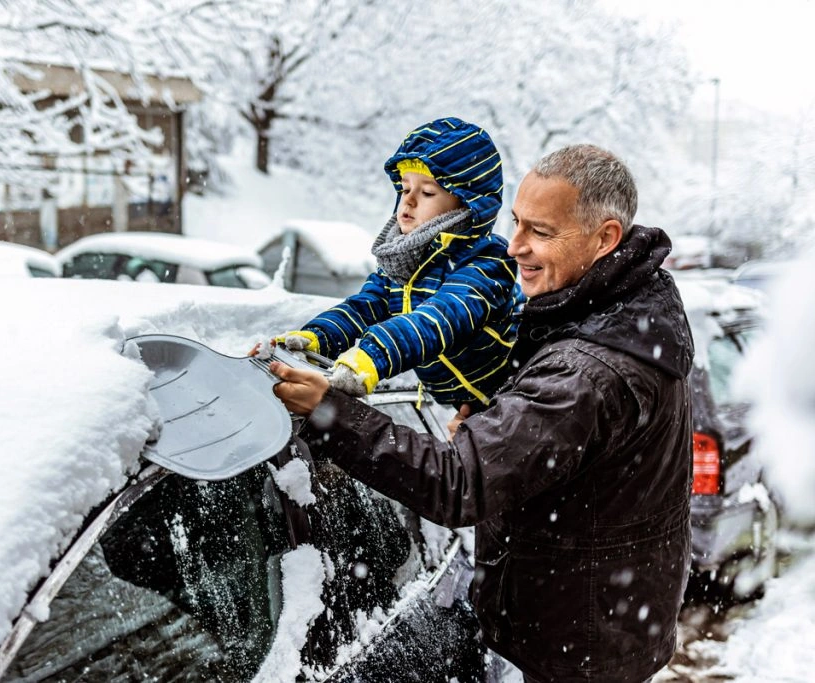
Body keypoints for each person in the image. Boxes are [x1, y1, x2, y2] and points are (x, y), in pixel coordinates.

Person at [269, 144, 694, 683]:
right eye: (516, 223)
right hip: (606, 626)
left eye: (540, 232)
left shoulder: (586, 373)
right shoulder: (633, 309)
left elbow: (458, 484)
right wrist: (504, 406)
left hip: (570, 650)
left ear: (606, 238)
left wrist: (330, 412)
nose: (514, 247)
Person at [274, 117, 522, 410]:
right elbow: (366, 306)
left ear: (468, 205)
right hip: (453, 401)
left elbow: (440, 318)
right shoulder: (405, 257)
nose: (409, 202)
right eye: (405, 189)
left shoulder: (488, 261)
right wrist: (317, 336)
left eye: (427, 192)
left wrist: (373, 356)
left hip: (509, 397)